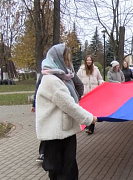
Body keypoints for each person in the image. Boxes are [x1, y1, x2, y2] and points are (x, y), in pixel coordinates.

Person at [35, 43, 97, 180]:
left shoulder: (61, 78)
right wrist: (89, 118)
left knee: (67, 170)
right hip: (56, 137)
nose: (69, 63)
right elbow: (69, 105)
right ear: (58, 60)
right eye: (66, 59)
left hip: (63, 133)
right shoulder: (51, 81)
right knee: (64, 173)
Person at [32, 73, 84, 163]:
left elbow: (79, 86)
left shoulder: (69, 74)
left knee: (68, 162)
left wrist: (76, 99)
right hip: (53, 124)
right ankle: (43, 153)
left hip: (67, 122)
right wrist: (89, 119)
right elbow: (68, 105)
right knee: (57, 164)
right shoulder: (49, 79)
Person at [77, 55, 103, 134]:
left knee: (92, 111)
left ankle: (91, 128)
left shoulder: (96, 70)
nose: (89, 61)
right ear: (85, 61)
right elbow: (77, 81)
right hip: (85, 94)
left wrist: (102, 84)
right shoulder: (81, 70)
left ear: (92, 61)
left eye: (90, 60)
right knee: (86, 111)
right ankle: (88, 124)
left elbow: (100, 79)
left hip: (93, 94)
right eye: (87, 60)